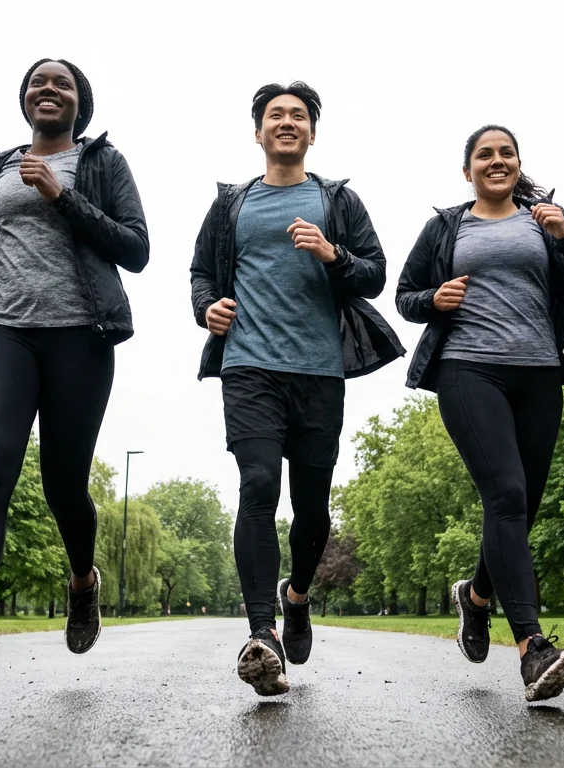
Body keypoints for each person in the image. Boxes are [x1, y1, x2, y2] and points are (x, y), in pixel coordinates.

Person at [0, 58, 149, 711]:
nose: (48, 88)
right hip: (3, 330)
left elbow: (136, 249)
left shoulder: (100, 163)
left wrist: (62, 196)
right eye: (38, 81)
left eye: (61, 83)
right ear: (24, 100)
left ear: (79, 103)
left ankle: (80, 580)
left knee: (63, 486)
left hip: (80, 334)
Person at [395, 125, 564, 702]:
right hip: (468, 370)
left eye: (506, 153)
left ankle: (476, 598)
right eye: (485, 154)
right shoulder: (446, 226)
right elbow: (405, 296)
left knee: (522, 506)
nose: (496, 161)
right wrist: (434, 300)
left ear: (518, 163)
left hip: (539, 374)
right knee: (504, 494)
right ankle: (533, 649)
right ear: (468, 170)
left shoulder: (546, 218)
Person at [190, 81, 403, 696]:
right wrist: (208, 308)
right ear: (258, 132)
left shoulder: (337, 200)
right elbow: (203, 272)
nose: (287, 123)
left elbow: (375, 274)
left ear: (312, 132)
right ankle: (262, 634)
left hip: (318, 371)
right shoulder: (233, 204)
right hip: (249, 367)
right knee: (257, 485)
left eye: (298, 116)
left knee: (313, 510)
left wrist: (333, 254)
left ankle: (297, 594)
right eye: (275, 116)